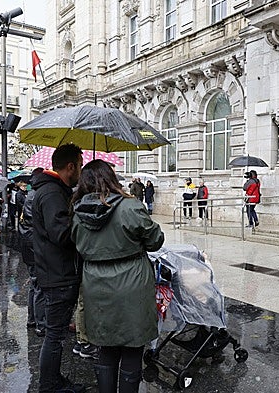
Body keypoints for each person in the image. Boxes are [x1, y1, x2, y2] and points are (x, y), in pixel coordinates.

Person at [71, 159, 164, 393]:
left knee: (105, 345)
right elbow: (155, 240)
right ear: (111, 178)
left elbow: (75, 243)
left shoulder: (77, 210)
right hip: (132, 281)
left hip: (95, 281)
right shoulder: (130, 207)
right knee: (132, 346)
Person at [32, 144, 85, 393]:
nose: (81, 170)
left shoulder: (54, 190)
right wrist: (81, 220)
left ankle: (53, 379)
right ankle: (49, 385)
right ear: (70, 166)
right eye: (80, 165)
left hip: (55, 271)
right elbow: (61, 234)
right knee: (55, 336)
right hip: (59, 274)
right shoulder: (52, 193)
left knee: (56, 334)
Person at [18, 168, 46, 338]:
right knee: (39, 286)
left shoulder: (31, 193)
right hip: (34, 244)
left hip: (27, 244)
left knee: (33, 284)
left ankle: (32, 319)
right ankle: (41, 324)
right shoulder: (38, 196)